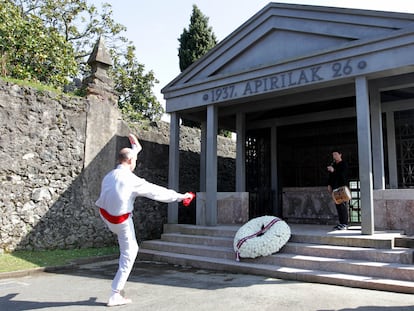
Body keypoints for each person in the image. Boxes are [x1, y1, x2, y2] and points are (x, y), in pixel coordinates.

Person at [95, 133, 193, 307]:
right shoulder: (132, 180)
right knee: (130, 252)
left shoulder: (108, 176)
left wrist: (135, 150)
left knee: (128, 247)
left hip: (105, 216)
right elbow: (158, 192)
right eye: (134, 159)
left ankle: (135, 149)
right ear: (131, 161)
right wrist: (181, 197)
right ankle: (115, 294)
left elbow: (127, 161)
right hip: (121, 221)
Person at [327, 149, 349, 230]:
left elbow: (342, 175)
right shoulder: (333, 164)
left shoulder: (344, 164)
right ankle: (341, 223)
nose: (334, 156)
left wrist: (334, 171)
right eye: (333, 155)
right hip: (335, 188)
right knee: (338, 205)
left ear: (340, 155)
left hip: (342, 188)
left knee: (343, 205)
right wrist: (329, 185)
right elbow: (331, 176)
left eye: (336, 154)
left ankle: (345, 223)